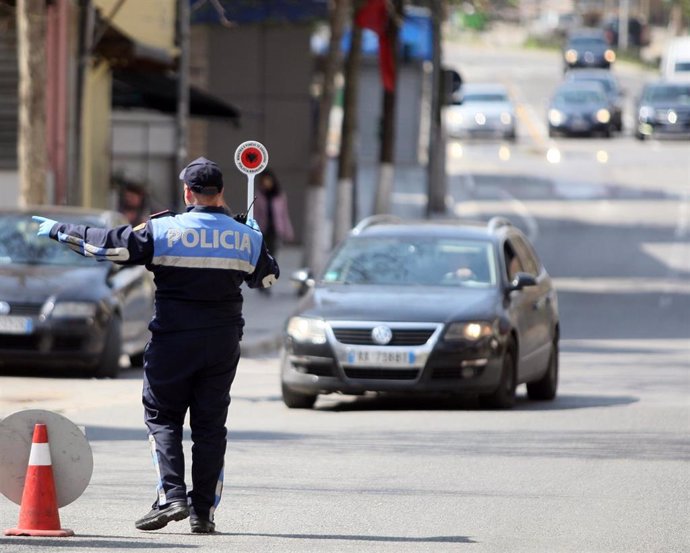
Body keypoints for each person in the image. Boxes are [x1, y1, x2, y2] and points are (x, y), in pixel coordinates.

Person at [32, 157, 279, 534]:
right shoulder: (244, 235)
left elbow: (109, 248)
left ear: (187, 192)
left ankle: (171, 496)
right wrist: (256, 237)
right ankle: (203, 513)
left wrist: (59, 231)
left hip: (173, 341)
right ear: (221, 193)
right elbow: (267, 280)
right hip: (222, 342)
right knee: (210, 428)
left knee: (163, 417)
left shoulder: (165, 229)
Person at [253, 168, 294, 261]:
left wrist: (288, 232)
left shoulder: (279, 195)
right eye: (264, 181)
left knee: (273, 254)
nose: (266, 183)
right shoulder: (259, 195)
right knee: (262, 254)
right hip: (262, 229)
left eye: (268, 180)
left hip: (275, 230)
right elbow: (256, 213)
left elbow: (284, 215)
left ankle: (271, 272)